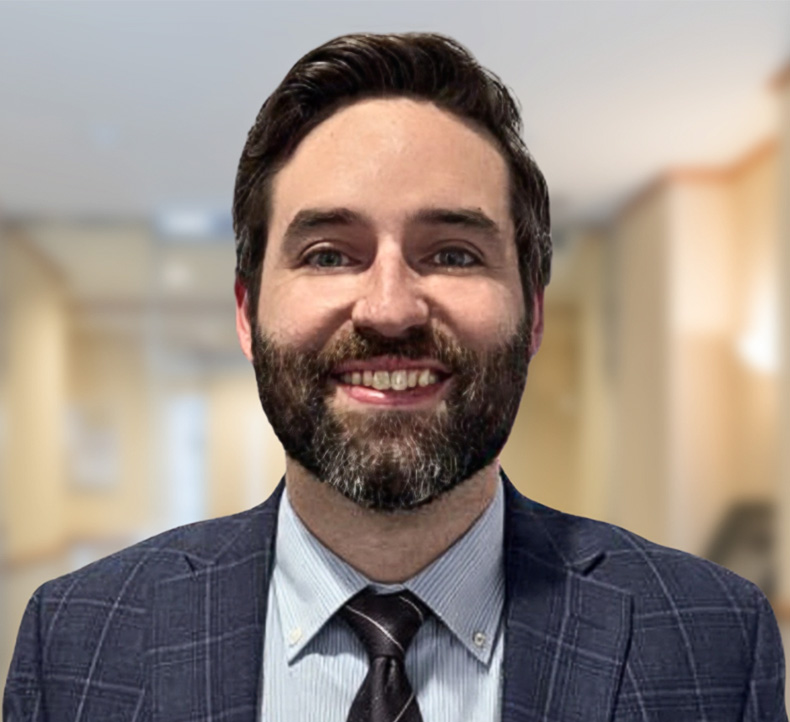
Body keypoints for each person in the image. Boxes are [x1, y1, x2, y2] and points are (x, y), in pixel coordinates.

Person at [4, 32, 786, 722]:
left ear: (533, 313)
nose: (388, 308)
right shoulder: (77, 639)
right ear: (246, 312)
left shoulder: (713, 640)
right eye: (328, 255)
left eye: (452, 253)